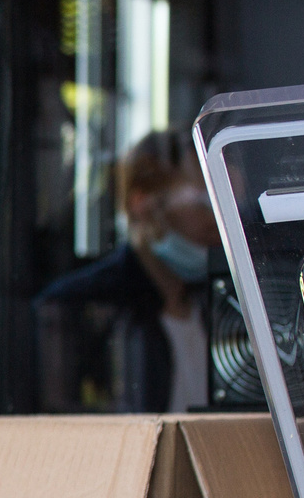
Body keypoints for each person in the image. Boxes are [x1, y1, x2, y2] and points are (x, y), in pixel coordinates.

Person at [33, 129, 223, 412]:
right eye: (206, 204)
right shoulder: (80, 309)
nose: (218, 226)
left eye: (228, 208)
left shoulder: (221, 304)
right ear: (142, 204)